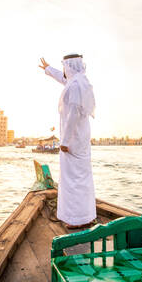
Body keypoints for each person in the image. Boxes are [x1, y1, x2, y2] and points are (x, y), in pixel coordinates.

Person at [39, 54, 96, 228]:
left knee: (72, 179)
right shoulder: (80, 82)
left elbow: (72, 115)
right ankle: (87, 215)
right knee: (83, 177)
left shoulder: (75, 86)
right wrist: (49, 69)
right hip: (81, 139)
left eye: (64, 67)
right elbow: (64, 79)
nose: (64, 70)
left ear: (70, 66)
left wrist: (64, 141)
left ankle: (75, 220)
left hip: (72, 140)